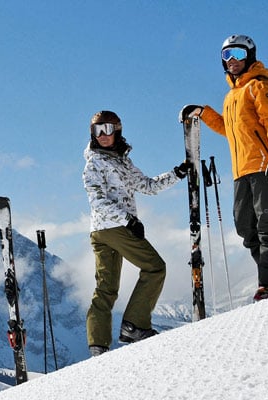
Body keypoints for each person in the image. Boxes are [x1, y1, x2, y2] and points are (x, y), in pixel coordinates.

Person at [181, 34, 268, 302]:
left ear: (250, 56)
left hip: (265, 166)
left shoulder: (261, 86)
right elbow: (229, 129)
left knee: (267, 224)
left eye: (238, 53)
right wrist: (204, 113)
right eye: (226, 55)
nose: (232, 60)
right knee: (245, 226)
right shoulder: (231, 96)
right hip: (241, 171)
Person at [82, 110, 191, 356]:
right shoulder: (94, 163)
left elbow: (147, 186)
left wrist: (176, 174)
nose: (102, 135)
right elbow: (97, 201)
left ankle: (98, 345)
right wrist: (128, 221)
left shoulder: (122, 162)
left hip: (102, 231)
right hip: (113, 228)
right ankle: (134, 325)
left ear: (117, 131)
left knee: (106, 288)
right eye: (97, 130)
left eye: (107, 129)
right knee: (155, 267)